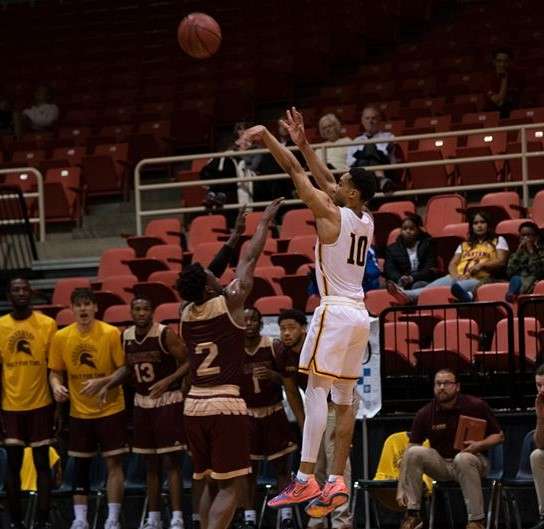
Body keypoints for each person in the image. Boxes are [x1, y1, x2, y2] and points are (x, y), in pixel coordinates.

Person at [243, 107, 376, 518]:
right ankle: (336, 479)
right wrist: (303, 142)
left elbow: (297, 174)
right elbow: (324, 178)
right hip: (360, 316)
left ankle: (305, 479)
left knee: (315, 390)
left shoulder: (328, 211)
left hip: (334, 310)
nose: (337, 182)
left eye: (345, 182)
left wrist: (268, 137)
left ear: (350, 193)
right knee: (344, 397)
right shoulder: (365, 219)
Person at [178, 198, 283, 529]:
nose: (213, 272)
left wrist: (235, 233)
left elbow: (214, 268)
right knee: (233, 485)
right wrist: (264, 222)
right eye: (210, 275)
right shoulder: (231, 303)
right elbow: (250, 259)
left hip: (194, 403)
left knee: (209, 480)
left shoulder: (185, 315)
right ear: (209, 285)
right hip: (224, 403)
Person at [48, 288, 129, 529]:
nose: (83, 309)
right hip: (79, 412)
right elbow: (55, 372)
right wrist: (56, 387)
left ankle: (112, 518)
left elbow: (124, 369)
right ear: (71, 309)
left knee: (113, 464)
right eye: (78, 305)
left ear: (95, 307)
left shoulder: (110, 333)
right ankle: (80, 519)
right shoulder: (61, 337)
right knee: (80, 466)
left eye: (87, 304)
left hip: (111, 408)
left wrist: (103, 382)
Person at [397, 369, 504, 529]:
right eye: (438, 384)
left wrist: (479, 445)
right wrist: (401, 487)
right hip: (443, 464)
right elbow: (411, 447)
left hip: (474, 461)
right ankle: (413, 514)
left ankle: (476, 521)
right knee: (413, 452)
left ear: (457, 386)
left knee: (463, 458)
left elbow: (499, 436)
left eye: (446, 383)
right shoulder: (425, 413)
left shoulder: (475, 405)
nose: (441, 387)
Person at [122, 297, 190, 529]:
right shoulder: (126, 336)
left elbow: (188, 361)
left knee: (171, 463)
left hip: (167, 401)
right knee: (149, 465)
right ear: (131, 312)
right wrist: (105, 383)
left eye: (145, 309)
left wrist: (168, 381)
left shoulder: (165, 334)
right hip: (142, 403)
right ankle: (154, 517)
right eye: (137, 309)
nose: (141, 313)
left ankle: (178, 517)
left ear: (152, 311)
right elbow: (126, 370)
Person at [0, 278, 57, 529]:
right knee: (12, 466)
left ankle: (42, 521)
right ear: (8, 294)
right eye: (16, 290)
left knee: (42, 464)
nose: (21, 293)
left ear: (31, 293)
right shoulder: (0, 326)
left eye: (25, 289)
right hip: (10, 405)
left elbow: (54, 368)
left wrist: (58, 408)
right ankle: (15, 522)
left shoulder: (47, 324)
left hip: (41, 404)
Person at [239, 307, 298, 529]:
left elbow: (290, 380)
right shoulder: (234, 351)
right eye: (245, 320)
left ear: (260, 324)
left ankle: (286, 515)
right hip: (248, 415)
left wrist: (274, 376)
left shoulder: (273, 346)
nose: (249, 323)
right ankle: (249, 518)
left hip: (273, 412)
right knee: (248, 471)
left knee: (282, 468)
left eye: (253, 319)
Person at [386, 210, 509, 304]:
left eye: (483, 222)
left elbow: (501, 261)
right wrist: (456, 276)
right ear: (472, 226)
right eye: (476, 223)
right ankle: (405, 295)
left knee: (456, 288)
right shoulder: (465, 244)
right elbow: (453, 264)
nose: (479, 226)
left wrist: (482, 265)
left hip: (480, 278)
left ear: (488, 224)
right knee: (430, 289)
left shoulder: (498, 240)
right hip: (458, 276)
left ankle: (407, 295)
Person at [345, 106, 399, 193]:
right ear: (362, 121)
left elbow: (390, 156)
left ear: (379, 120)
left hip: (385, 169)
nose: (370, 121)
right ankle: (381, 180)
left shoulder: (389, 136)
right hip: (361, 171)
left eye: (374, 118)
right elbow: (350, 163)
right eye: (367, 118)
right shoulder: (355, 141)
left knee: (370, 148)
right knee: (364, 158)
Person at [384, 214, 437, 290]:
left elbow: (429, 268)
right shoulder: (392, 249)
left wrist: (412, 278)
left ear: (418, 230)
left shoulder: (428, 244)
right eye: (404, 229)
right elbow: (389, 269)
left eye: (411, 229)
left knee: (417, 285)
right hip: (401, 282)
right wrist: (400, 278)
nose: (408, 231)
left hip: (422, 280)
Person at [505, 221, 544, 302]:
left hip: (535, 280)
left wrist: (531, 252)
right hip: (519, 281)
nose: (525, 238)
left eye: (529, 235)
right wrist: (518, 252)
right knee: (515, 278)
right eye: (523, 235)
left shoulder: (541, 252)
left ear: (536, 237)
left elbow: (539, 272)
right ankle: (511, 295)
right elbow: (510, 272)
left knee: (531, 279)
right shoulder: (517, 253)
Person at [484, 48, 522, 118]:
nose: (502, 64)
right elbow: (499, 102)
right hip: (493, 116)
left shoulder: (517, 77)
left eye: (506, 61)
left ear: (510, 62)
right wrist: (504, 78)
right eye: (499, 61)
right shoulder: (488, 79)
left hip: (514, 114)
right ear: (494, 62)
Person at [530, 364, 544, 529]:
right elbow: (540, 443)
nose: (542, 390)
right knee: (537, 455)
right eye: (539, 385)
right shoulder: (541, 402)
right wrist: (541, 416)